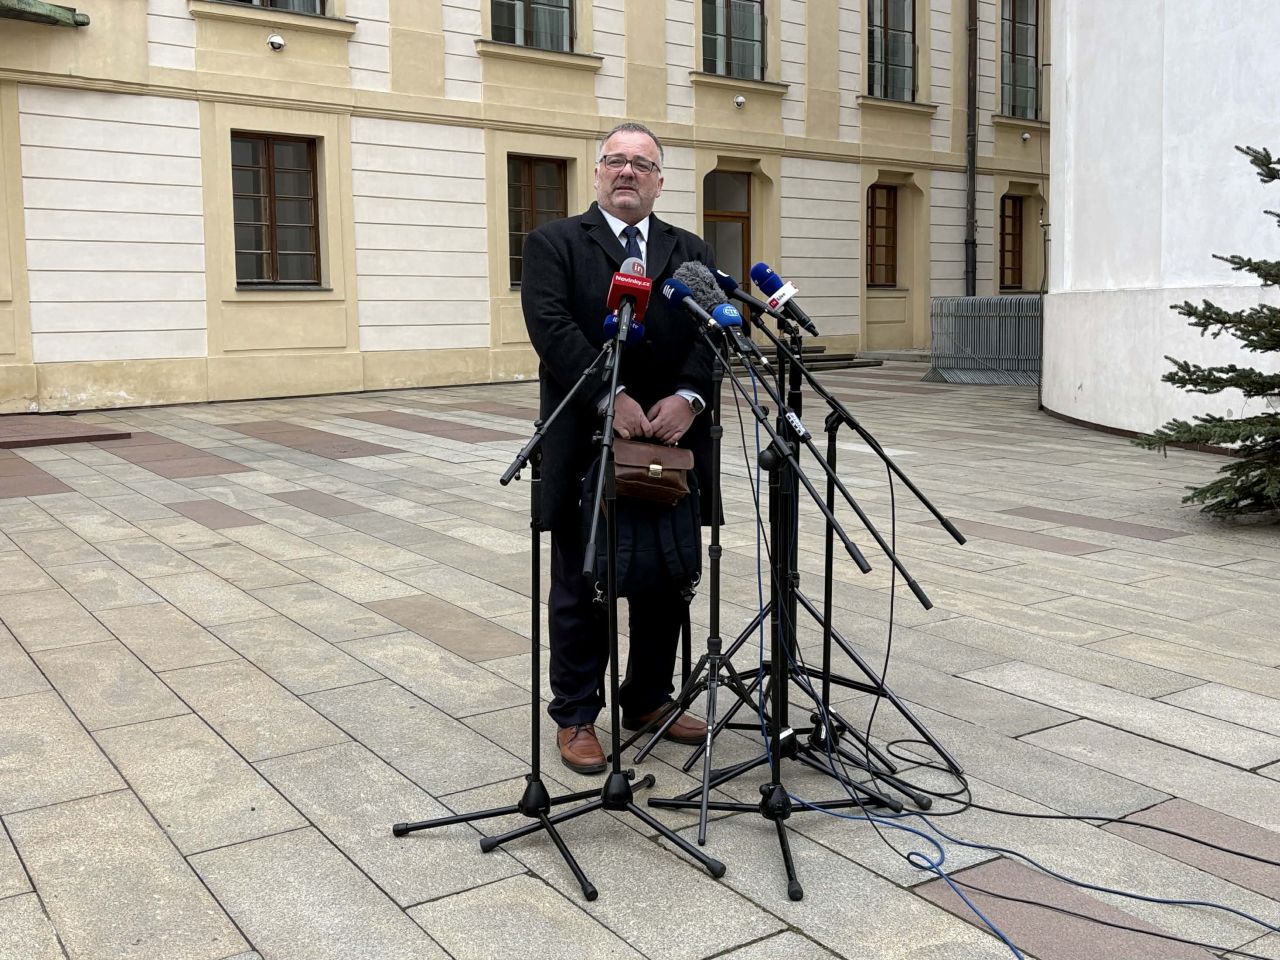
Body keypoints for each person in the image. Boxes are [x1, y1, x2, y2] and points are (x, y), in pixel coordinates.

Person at [521, 122, 715, 774]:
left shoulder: (689, 249)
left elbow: (710, 336)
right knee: (584, 584)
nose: (628, 172)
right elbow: (552, 329)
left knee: (666, 577)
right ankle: (576, 714)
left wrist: (688, 397)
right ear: (598, 173)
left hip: (671, 449)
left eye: (642, 163)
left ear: (660, 181)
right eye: (616, 161)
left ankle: (648, 698)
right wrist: (614, 394)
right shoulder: (554, 243)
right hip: (588, 446)